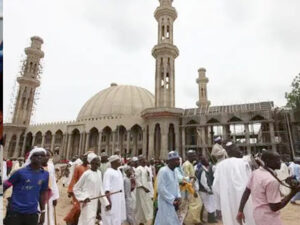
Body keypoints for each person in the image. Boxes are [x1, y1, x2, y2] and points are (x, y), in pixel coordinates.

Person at [237, 151, 300, 225]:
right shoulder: (271, 181)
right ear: (267, 161)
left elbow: (246, 192)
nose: (280, 162)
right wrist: (293, 193)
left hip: (258, 215)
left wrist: (240, 211)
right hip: (269, 219)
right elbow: (275, 207)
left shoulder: (255, 173)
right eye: (277, 160)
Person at [3, 148, 49, 225]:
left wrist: (43, 212)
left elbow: (42, 193)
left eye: (42, 155)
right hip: (15, 212)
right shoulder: (20, 172)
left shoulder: (45, 174)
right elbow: (5, 185)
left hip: (32, 214)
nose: (40, 157)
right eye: (36, 155)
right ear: (31, 157)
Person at [212, 145, 256, 225]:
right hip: (245, 200)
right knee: (248, 219)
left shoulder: (219, 166)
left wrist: (218, 207)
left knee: (231, 220)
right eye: (238, 149)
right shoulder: (244, 163)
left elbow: (215, 188)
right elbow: (251, 182)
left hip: (227, 202)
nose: (241, 151)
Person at [73, 153, 110, 225]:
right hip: (87, 203)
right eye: (97, 161)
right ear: (92, 163)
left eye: (98, 161)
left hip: (95, 202)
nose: (99, 162)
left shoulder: (99, 173)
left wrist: (106, 203)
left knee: (91, 220)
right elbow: (76, 188)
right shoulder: (86, 174)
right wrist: (84, 197)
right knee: (86, 220)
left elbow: (101, 190)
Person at [154, 151, 181, 225]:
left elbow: (176, 185)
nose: (178, 161)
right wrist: (172, 200)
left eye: (178, 159)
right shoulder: (163, 171)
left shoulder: (175, 171)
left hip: (174, 202)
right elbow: (161, 189)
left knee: (173, 220)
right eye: (176, 160)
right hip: (165, 202)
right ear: (170, 161)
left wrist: (178, 196)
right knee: (165, 220)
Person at [64, 152, 90, 225]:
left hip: (85, 191)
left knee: (82, 208)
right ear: (83, 159)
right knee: (77, 207)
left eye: (87, 158)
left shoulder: (89, 168)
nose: (86, 159)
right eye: (85, 158)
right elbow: (74, 179)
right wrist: (70, 190)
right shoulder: (78, 167)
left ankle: (76, 222)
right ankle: (69, 219)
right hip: (77, 190)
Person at [102, 155, 126, 225]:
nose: (120, 162)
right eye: (118, 161)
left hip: (119, 198)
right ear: (113, 162)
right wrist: (108, 202)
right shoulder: (108, 172)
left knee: (117, 216)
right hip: (112, 199)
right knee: (111, 217)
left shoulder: (118, 171)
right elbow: (106, 189)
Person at [182, 150, 202, 225]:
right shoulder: (186, 165)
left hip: (192, 187)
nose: (195, 156)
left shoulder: (190, 164)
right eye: (193, 155)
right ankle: (189, 221)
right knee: (196, 204)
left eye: (194, 155)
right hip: (189, 188)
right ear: (188, 156)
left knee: (195, 204)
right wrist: (192, 191)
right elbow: (186, 179)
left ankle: (194, 220)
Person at [196, 157, 217, 223]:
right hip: (204, 191)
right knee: (207, 204)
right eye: (206, 160)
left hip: (205, 190)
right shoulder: (202, 170)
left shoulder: (205, 169)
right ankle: (208, 219)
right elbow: (203, 182)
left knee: (209, 204)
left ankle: (210, 219)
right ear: (203, 162)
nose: (208, 161)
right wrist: (208, 189)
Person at [41, 150, 59, 225]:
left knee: (49, 213)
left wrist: (55, 196)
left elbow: (53, 182)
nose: (47, 157)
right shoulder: (37, 166)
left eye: (48, 156)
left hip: (50, 194)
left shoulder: (51, 166)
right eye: (45, 155)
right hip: (39, 195)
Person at [135, 156, 153, 225]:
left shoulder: (146, 168)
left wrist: (148, 188)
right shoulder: (138, 169)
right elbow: (137, 180)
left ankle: (143, 220)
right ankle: (143, 219)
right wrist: (144, 188)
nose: (145, 161)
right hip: (141, 189)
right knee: (142, 204)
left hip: (147, 189)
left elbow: (148, 180)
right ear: (140, 161)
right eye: (143, 160)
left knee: (146, 204)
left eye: (145, 159)